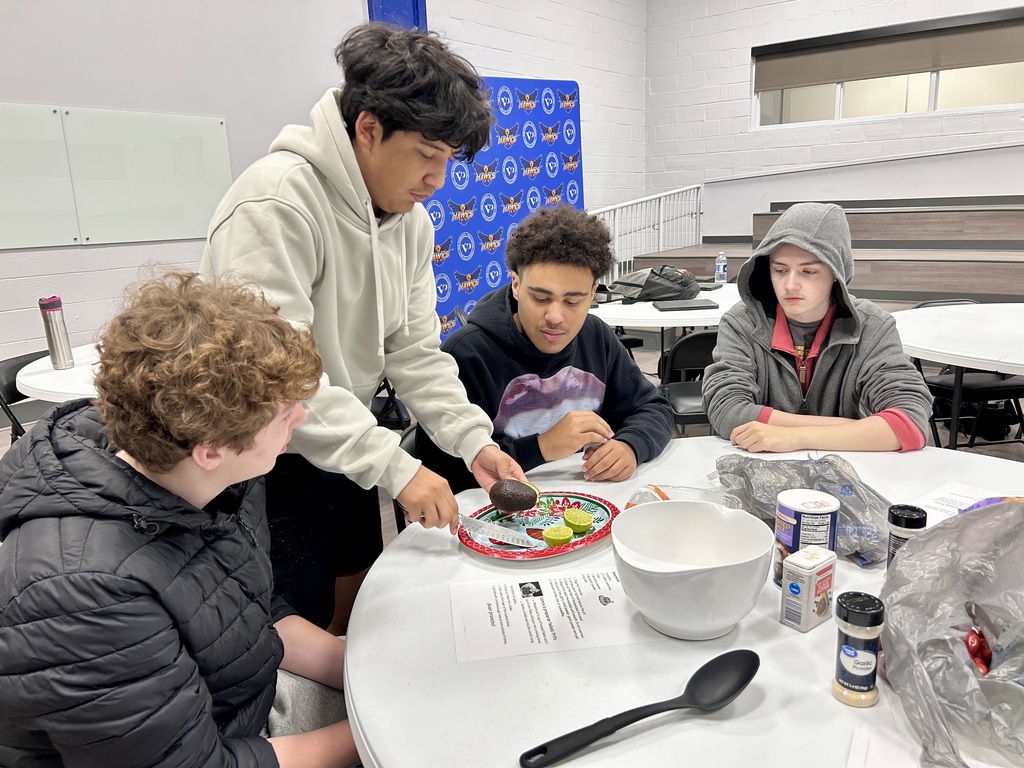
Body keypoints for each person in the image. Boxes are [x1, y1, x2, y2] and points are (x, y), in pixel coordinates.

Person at [200, 23, 524, 634]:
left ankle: (353, 699)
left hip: (348, 434)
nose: (437, 180)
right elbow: (273, 377)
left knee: (360, 587)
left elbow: (416, 355)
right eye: (427, 155)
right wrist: (398, 469)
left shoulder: (409, 222)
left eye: (448, 161)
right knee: (290, 615)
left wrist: (473, 441)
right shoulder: (276, 204)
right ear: (368, 129)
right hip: (268, 453)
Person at [0, 273, 358, 768]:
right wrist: (375, 730)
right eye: (284, 413)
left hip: (234, 711)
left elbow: (242, 610)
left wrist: (359, 670)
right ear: (210, 450)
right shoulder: (83, 598)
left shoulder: (209, 475)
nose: (300, 418)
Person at [416, 205, 674, 491]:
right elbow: (440, 471)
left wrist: (631, 445)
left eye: (573, 301)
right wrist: (542, 447)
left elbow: (654, 408)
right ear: (515, 284)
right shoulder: (468, 354)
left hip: (587, 507)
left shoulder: (596, 336)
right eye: (540, 298)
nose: (555, 316)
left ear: (592, 293)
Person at [702, 202, 932, 453]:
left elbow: (911, 421)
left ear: (836, 273)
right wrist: (853, 428)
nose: (790, 285)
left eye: (808, 271)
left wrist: (795, 437)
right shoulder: (742, 323)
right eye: (779, 270)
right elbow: (726, 409)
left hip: (849, 473)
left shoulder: (872, 327)